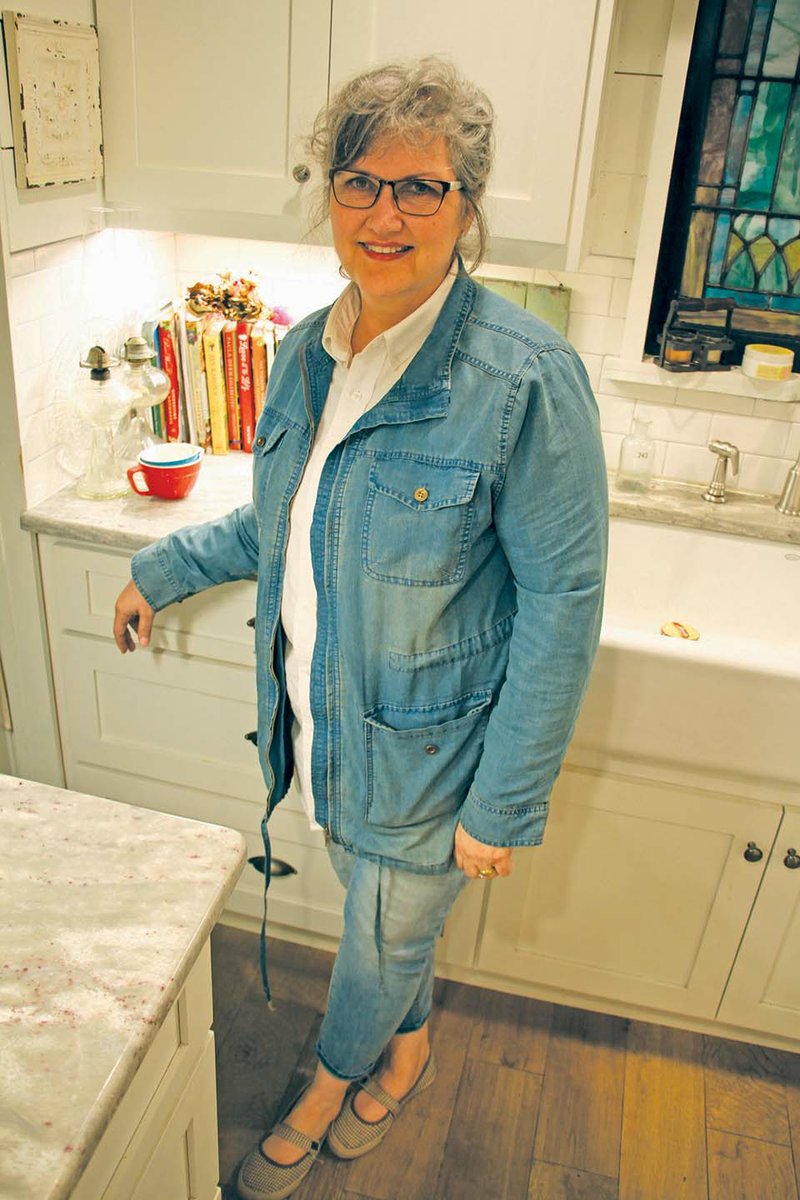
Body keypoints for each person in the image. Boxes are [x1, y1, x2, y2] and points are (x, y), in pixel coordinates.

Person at [113, 57, 608, 1200]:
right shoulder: (302, 352)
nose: (385, 214)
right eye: (359, 183)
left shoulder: (525, 378)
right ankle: (410, 1042)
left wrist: (503, 801)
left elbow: (562, 601)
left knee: (378, 936)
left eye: (420, 187)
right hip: (322, 724)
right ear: (328, 198)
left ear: (465, 206)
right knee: (389, 921)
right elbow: (279, 522)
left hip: (432, 756)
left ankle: (332, 1081)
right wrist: (165, 565)